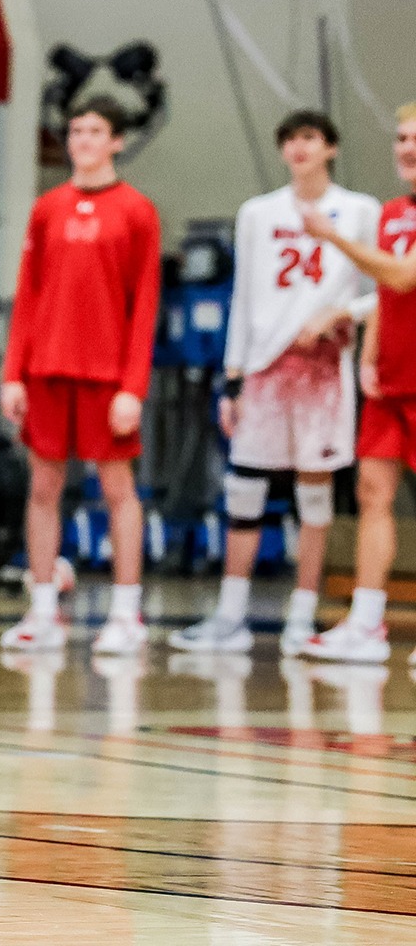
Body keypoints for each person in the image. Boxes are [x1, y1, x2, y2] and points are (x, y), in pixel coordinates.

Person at [176, 110, 378, 657]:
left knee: (314, 497)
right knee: (244, 490)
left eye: (309, 137)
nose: (298, 147)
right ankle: (230, 615)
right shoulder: (258, 213)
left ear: (331, 147)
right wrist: (233, 375)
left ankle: (302, 615)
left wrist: (344, 313)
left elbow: (382, 285)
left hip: (322, 371)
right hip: (265, 368)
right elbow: (243, 295)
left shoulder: (359, 210)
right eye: (289, 139)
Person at [0, 98, 161, 653]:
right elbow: (28, 294)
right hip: (46, 370)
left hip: (107, 375)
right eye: (75, 130)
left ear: (116, 140)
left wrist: (133, 388)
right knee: (43, 487)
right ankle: (43, 608)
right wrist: (12, 372)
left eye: (95, 131)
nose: (83, 140)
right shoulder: (47, 208)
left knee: (119, 490)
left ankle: (126, 612)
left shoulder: (138, 210)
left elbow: (146, 308)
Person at [299, 102, 416, 665]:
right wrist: (370, 355)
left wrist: (334, 238)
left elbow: (402, 274)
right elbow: (391, 300)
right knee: (373, 494)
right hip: (391, 382)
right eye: (401, 139)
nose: (407, 150)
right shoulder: (393, 211)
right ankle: (367, 623)